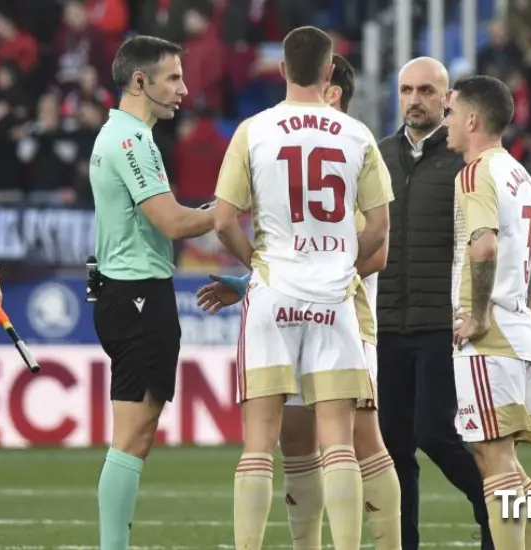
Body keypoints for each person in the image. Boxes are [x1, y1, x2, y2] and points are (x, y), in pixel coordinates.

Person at [196, 53, 401, 550]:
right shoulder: (355, 140)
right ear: (327, 76)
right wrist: (333, 271)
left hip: (289, 301)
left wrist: (259, 273)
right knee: (325, 444)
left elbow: (223, 221)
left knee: (271, 445)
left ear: (284, 68)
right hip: (335, 304)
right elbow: (379, 235)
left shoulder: (257, 130)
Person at [88, 35, 215, 550]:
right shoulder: (132, 141)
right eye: (173, 78)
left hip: (127, 292)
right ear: (140, 81)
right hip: (138, 296)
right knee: (134, 436)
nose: (184, 89)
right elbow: (171, 221)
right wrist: (232, 208)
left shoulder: (122, 135)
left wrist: (212, 209)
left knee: (135, 436)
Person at [375, 57, 493, 550]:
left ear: (447, 99)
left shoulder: (463, 160)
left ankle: (495, 505)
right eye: (406, 90)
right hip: (385, 324)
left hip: (438, 324)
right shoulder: (375, 155)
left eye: (425, 90)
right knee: (395, 448)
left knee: (435, 433)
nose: (413, 100)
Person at [445, 75, 531, 550]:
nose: (446, 122)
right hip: (517, 332)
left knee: (493, 463)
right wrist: (525, 314)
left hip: (490, 336)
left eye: (451, 112)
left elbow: (484, 247)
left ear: (472, 118)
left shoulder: (476, 173)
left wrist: (478, 315)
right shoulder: (519, 174)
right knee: (506, 463)